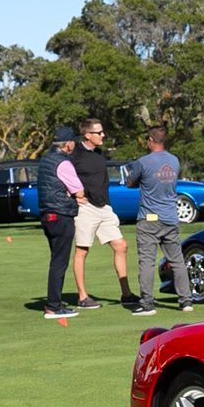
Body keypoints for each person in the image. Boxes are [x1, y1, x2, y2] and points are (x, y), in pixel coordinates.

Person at [68, 116, 136, 310]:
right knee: (82, 250)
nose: (103, 135)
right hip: (85, 208)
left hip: (104, 207)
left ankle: (126, 294)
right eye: (99, 132)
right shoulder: (74, 155)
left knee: (121, 246)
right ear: (87, 135)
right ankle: (82, 297)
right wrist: (73, 196)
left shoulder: (99, 154)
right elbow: (62, 175)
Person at [131, 125, 195, 315]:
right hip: (170, 217)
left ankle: (147, 304)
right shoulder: (174, 161)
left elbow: (130, 182)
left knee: (147, 261)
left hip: (149, 218)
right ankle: (186, 301)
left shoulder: (143, 162)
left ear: (150, 140)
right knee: (177, 260)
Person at [35, 125, 83, 319]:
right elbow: (78, 191)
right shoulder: (63, 163)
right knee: (59, 262)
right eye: (74, 142)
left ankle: (54, 303)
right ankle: (54, 306)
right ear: (68, 144)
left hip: (48, 215)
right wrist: (76, 196)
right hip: (61, 215)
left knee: (56, 260)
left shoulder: (46, 160)